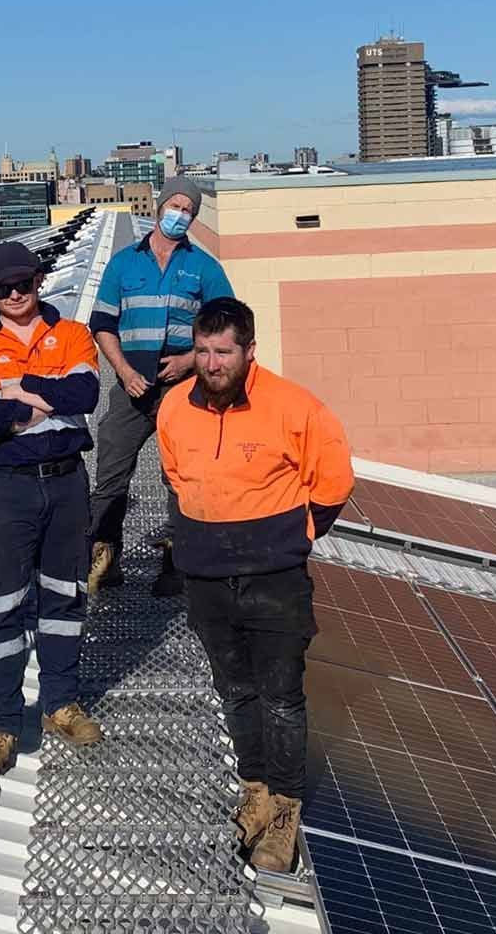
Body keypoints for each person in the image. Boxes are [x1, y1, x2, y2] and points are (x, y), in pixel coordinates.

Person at [157, 297, 354, 873]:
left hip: (274, 581)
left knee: (282, 697)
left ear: (249, 352)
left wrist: (293, 537)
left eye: (223, 352)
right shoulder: (174, 407)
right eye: (202, 351)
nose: (212, 364)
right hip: (207, 579)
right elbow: (176, 474)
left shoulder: (293, 406)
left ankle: (286, 809)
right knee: (236, 691)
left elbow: (334, 478)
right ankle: (256, 791)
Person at [0, 242, 102, 773]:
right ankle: (1, 721)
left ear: (39, 280)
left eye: (23, 283)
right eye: (3, 288)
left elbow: (85, 394)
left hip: (66, 484)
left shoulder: (72, 334)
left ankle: (59, 703)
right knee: (2, 604)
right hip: (8, 488)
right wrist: (50, 395)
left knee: (65, 596)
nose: (15, 294)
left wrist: (25, 390)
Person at [87, 177, 233, 595]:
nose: (180, 215)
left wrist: (191, 360)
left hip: (184, 386)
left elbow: (225, 324)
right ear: (160, 206)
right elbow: (102, 324)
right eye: (176, 206)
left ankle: (175, 563)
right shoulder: (123, 263)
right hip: (133, 383)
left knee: (180, 475)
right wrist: (125, 372)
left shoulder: (203, 267)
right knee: (112, 470)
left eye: (189, 210)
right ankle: (105, 554)